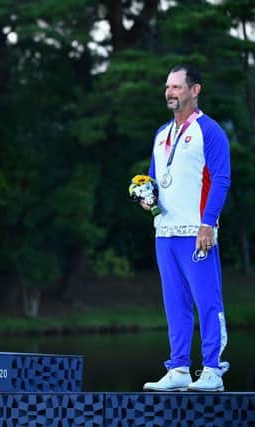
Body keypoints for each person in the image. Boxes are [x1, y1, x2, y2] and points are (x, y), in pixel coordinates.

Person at [141, 65, 231, 392]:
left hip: (197, 231)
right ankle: (178, 367)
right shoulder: (162, 133)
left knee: (207, 300)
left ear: (195, 90)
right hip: (164, 231)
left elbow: (221, 179)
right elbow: (154, 177)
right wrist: (146, 194)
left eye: (177, 87)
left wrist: (208, 223)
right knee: (175, 303)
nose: (170, 92)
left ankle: (213, 369)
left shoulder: (210, 131)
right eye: (168, 87)